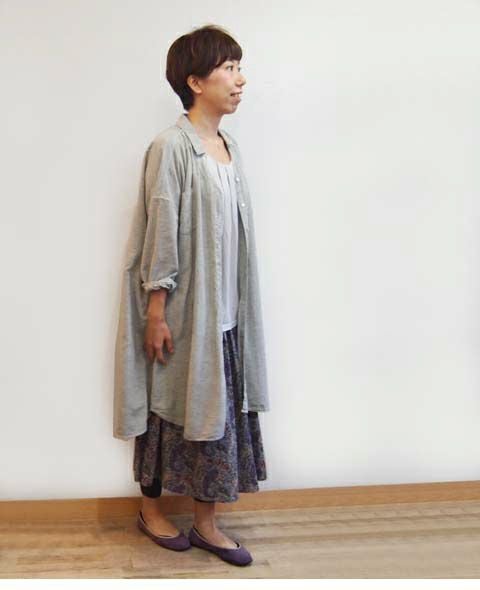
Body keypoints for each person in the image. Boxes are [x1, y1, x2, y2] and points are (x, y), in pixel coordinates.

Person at [113, 24, 270, 566]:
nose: (240, 79)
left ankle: (207, 524)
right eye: (229, 68)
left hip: (225, 315)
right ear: (196, 82)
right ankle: (151, 511)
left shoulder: (229, 148)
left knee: (216, 418)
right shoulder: (171, 147)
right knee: (168, 409)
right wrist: (156, 311)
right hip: (183, 313)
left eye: (239, 67)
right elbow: (161, 228)